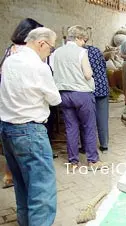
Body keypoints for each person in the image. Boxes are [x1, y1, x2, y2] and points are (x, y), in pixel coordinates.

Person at [0, 27, 61, 225]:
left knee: (22, 185)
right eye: (51, 48)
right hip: (30, 131)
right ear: (41, 43)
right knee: (41, 190)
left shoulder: (10, 60)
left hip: (8, 129)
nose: (49, 53)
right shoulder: (38, 66)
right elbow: (55, 98)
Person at [53, 25, 106, 170]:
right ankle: (93, 161)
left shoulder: (56, 53)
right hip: (82, 94)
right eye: (83, 39)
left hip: (63, 94)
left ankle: (73, 162)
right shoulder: (81, 52)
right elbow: (88, 74)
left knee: (71, 128)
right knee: (88, 126)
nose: (84, 43)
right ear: (77, 38)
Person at [0, 18, 43, 189]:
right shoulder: (28, 54)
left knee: (10, 141)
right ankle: (21, 177)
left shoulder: (9, 50)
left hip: (8, 103)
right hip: (24, 105)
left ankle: (9, 175)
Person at [85, 43, 110, 152]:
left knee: (87, 119)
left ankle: (87, 145)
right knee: (103, 118)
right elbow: (104, 66)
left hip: (89, 88)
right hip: (103, 86)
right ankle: (104, 145)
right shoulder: (95, 50)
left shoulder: (80, 53)